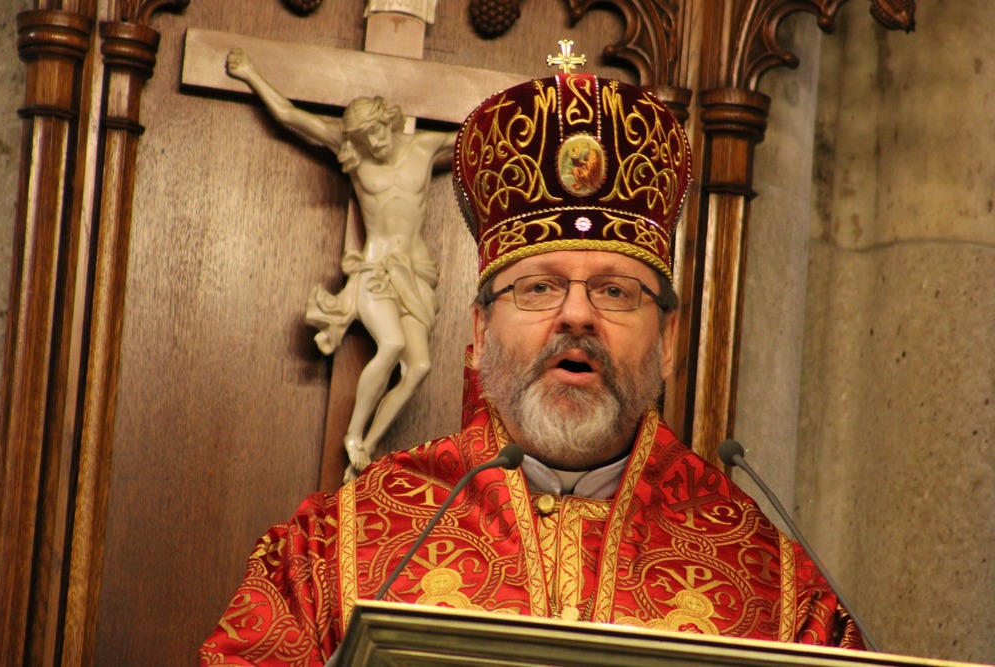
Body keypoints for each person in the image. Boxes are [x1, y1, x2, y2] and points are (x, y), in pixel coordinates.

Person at [200, 68, 865, 665]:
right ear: (481, 331)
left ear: (667, 339)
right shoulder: (337, 547)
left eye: (614, 291)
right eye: (539, 288)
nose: (576, 315)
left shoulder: (774, 586)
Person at [226, 48, 458, 481]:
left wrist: (540, 113)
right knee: (389, 345)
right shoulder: (354, 150)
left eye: (379, 134)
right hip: (373, 270)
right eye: (366, 139)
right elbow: (292, 116)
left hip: (415, 272)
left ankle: (367, 446)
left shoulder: (426, 146)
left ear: (390, 122)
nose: (376, 144)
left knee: (419, 367)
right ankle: (353, 435)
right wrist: (251, 73)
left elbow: (483, 133)